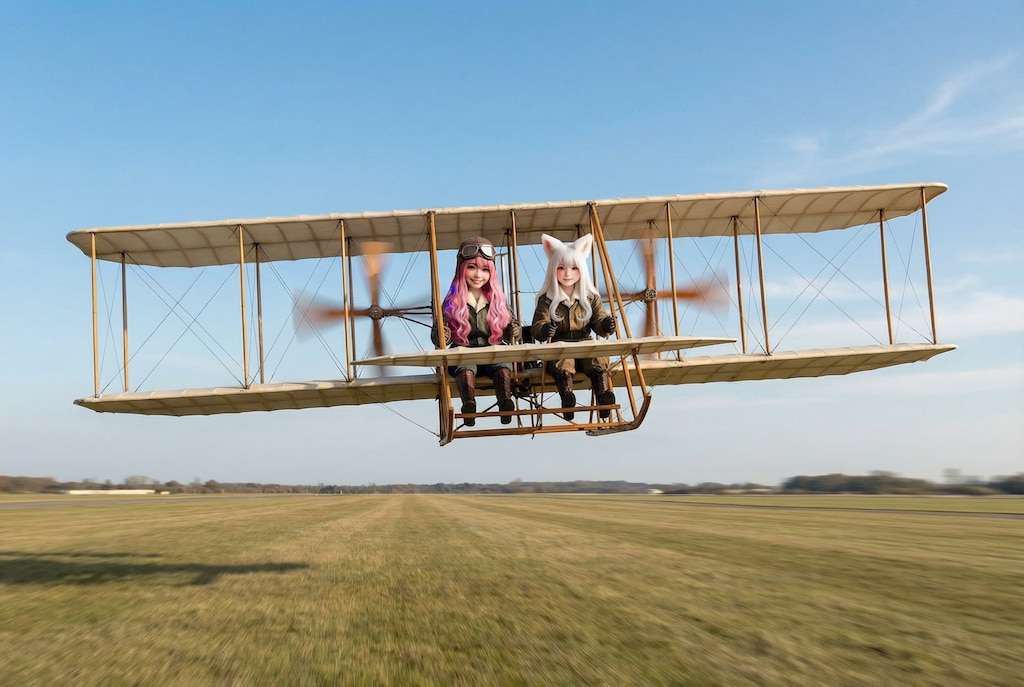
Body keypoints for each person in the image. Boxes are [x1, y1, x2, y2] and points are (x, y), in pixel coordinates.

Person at [431, 237, 520, 426]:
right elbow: (437, 335)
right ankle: (468, 404)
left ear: (491, 272)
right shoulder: (451, 302)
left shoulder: (498, 301)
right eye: (472, 267)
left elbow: (513, 326)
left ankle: (505, 403)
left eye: (485, 269)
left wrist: (514, 330)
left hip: (493, 350)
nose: (478, 274)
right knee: (465, 367)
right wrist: (441, 334)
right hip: (464, 351)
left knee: (502, 365)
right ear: (462, 269)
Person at [531, 233, 616, 420]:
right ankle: (567, 397)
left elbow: (598, 319)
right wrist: (544, 330)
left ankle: (603, 397)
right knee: (563, 361)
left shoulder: (591, 298)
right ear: (553, 270)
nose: (567, 273)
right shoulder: (547, 299)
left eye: (573, 268)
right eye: (561, 268)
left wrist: (606, 324)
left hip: (584, 341)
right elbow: (537, 325)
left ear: (581, 269)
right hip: (560, 344)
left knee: (597, 358)